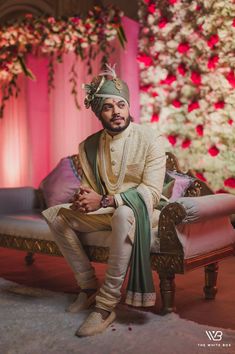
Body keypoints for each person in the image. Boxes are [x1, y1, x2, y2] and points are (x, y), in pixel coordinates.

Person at [42, 64, 166, 337]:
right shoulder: (88, 145)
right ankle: (87, 287)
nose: (116, 111)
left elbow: (152, 193)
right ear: (99, 112)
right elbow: (90, 186)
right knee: (55, 215)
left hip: (141, 211)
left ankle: (106, 304)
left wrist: (107, 200)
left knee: (122, 215)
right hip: (105, 209)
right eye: (108, 107)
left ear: (128, 106)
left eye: (121, 104)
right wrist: (83, 199)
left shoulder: (150, 138)